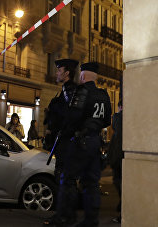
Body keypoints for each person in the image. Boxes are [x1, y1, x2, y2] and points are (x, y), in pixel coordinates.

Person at [50, 62, 112, 227]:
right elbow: (106, 120)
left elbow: (72, 117)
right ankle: (91, 220)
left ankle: (65, 217)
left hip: (80, 142)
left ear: (83, 75)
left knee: (68, 179)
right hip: (95, 142)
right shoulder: (104, 95)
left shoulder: (82, 91)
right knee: (91, 183)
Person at [43, 59, 78, 187]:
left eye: (59, 70)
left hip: (66, 141)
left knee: (64, 177)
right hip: (63, 140)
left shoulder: (70, 91)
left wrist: (54, 108)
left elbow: (68, 114)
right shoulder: (64, 91)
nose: (56, 73)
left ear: (67, 73)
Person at [107, 100, 123, 223]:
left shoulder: (119, 118)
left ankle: (123, 209)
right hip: (121, 157)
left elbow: (115, 125)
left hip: (118, 158)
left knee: (119, 182)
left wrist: (117, 114)